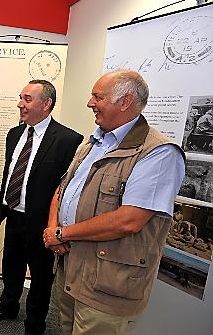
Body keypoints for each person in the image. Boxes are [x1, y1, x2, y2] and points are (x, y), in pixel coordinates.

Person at [43, 70, 185, 335]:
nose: (90, 103)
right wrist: (55, 232)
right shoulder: (93, 142)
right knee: (65, 327)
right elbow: (63, 189)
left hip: (108, 281)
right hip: (72, 266)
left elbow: (128, 221)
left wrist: (61, 233)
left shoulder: (159, 153)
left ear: (125, 101)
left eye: (98, 97)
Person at [0, 80, 82, 335]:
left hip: (42, 222)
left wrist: (56, 224)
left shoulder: (68, 140)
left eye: (27, 99)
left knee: (40, 276)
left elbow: (66, 187)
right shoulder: (14, 134)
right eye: (21, 98)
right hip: (14, 213)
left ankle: (34, 324)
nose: (20, 104)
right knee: (10, 265)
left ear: (46, 104)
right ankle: (8, 306)